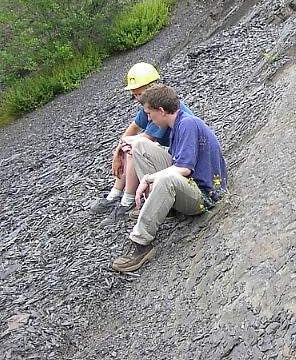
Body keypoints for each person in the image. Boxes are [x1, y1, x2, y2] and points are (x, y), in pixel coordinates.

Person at [111, 83, 227, 273]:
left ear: (162, 111)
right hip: (188, 184)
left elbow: (183, 169)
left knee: (165, 179)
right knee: (139, 145)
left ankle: (141, 244)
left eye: (150, 114)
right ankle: (161, 207)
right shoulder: (177, 123)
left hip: (204, 195)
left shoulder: (188, 123)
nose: (149, 118)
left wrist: (148, 179)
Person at [91, 63, 193, 225]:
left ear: (152, 87)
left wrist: (123, 151)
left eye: (139, 93)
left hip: (180, 161)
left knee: (134, 148)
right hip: (170, 154)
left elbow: (143, 139)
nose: (137, 98)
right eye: (135, 95)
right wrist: (117, 153)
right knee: (127, 147)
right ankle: (115, 195)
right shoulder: (148, 106)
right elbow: (132, 129)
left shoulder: (160, 109)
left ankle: (127, 201)